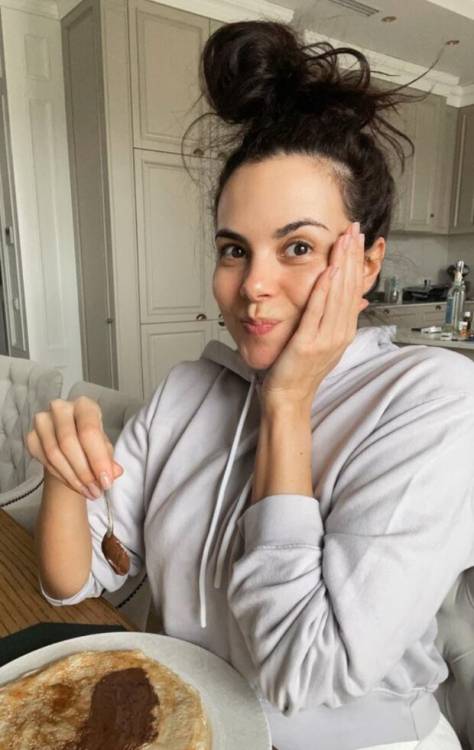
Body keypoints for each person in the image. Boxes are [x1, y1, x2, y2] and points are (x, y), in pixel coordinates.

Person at [26, 20, 473, 750]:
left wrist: (288, 402)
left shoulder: (435, 401)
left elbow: (304, 673)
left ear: (366, 263)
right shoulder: (188, 391)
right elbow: (75, 583)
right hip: (188, 730)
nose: (253, 286)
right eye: (235, 250)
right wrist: (61, 475)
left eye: (297, 246)